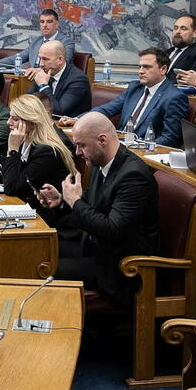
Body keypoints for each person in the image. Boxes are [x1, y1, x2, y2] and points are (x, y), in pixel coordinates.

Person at [37, 112, 159, 307]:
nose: (77, 152)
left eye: (81, 145)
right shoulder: (98, 161)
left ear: (102, 140)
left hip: (120, 266)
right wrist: (61, 200)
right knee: (36, 249)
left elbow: (112, 229)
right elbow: (95, 203)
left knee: (42, 267)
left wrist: (75, 201)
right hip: (95, 248)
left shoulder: (134, 176)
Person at [0, 94, 77, 227]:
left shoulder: (47, 151)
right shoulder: (28, 140)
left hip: (49, 220)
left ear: (31, 122)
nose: (8, 122)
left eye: (14, 119)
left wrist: (12, 149)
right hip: (28, 209)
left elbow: (12, 187)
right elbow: (16, 168)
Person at [62, 48, 189, 148]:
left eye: (147, 67)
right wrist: (79, 119)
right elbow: (107, 110)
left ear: (163, 69)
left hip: (142, 152)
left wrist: (140, 147)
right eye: (140, 67)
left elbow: (170, 138)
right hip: (119, 145)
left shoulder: (174, 97)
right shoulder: (135, 88)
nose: (140, 71)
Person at [0, 8, 74, 70]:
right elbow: (16, 59)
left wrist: (39, 71)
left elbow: (63, 64)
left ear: (57, 24)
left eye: (49, 22)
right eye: (42, 22)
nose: (45, 25)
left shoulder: (66, 42)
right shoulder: (36, 41)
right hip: (31, 79)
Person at [26, 41, 91, 118]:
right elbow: (26, 101)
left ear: (60, 59)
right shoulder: (46, 72)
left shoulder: (78, 80)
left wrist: (43, 86)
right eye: (40, 58)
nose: (41, 64)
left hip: (67, 127)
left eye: (46, 59)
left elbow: (58, 113)